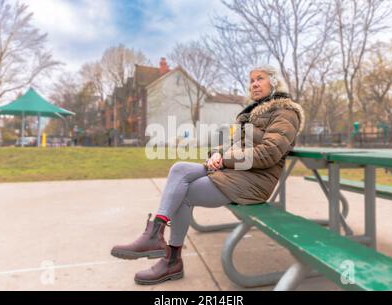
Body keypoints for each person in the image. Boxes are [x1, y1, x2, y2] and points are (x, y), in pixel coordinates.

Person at [110, 65, 305, 285]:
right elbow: (233, 145)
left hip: (253, 182)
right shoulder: (251, 113)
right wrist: (216, 154)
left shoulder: (286, 113)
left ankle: (171, 259)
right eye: (251, 80)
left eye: (260, 79)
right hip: (235, 172)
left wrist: (226, 160)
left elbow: (268, 153)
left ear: (275, 82)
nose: (254, 84)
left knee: (183, 193)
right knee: (179, 169)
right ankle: (156, 235)